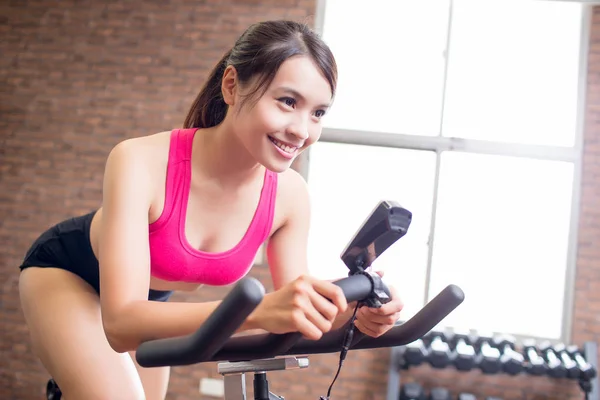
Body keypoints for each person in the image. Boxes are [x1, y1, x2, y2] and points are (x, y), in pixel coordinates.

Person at [17, 20, 404, 400]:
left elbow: (295, 313)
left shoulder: (290, 196)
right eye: (288, 102)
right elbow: (120, 324)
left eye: (318, 113)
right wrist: (257, 311)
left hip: (149, 305)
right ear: (232, 86)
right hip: (69, 274)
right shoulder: (139, 160)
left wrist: (355, 315)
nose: (302, 130)